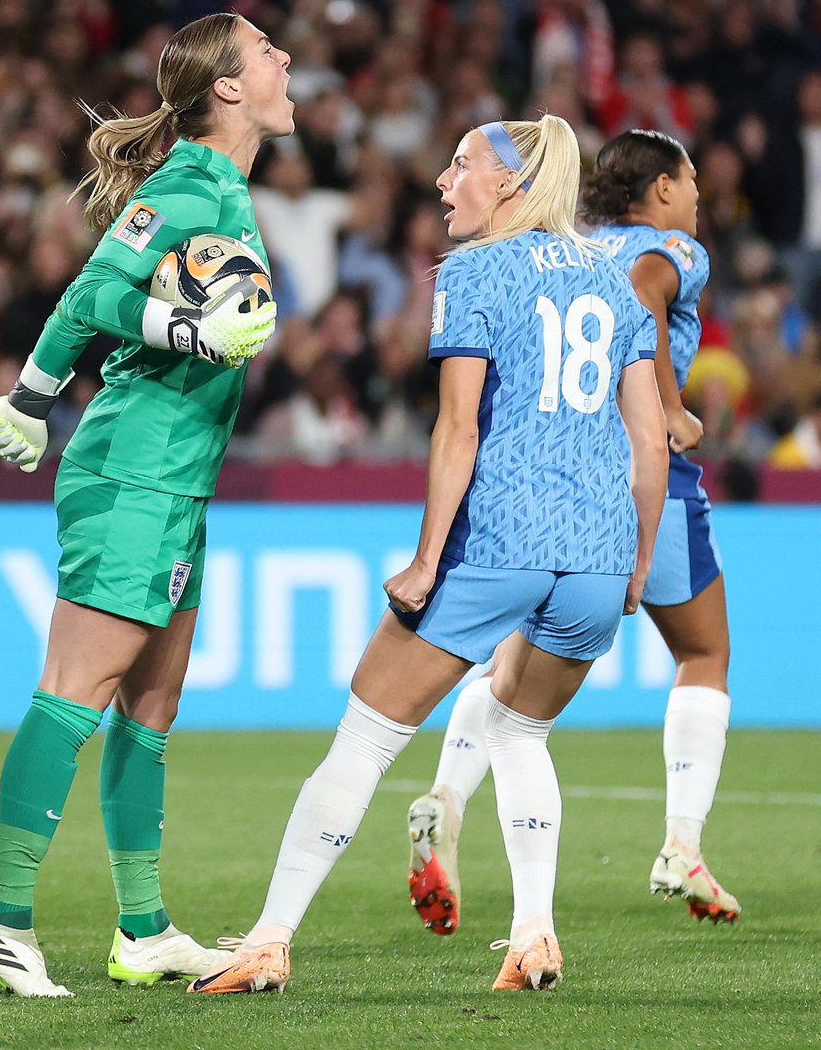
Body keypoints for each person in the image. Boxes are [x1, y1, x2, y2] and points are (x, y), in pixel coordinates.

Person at [186, 115, 668, 996]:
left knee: (364, 740)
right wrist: (635, 564)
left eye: (461, 167)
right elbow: (651, 440)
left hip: (502, 540)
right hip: (596, 551)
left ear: (511, 185)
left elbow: (457, 429)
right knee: (520, 729)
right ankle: (533, 936)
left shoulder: (476, 270)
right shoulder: (623, 276)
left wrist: (424, 559)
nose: (444, 183)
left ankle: (267, 940)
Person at [0, 11, 293, 997]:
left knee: (152, 706)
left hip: (179, 483)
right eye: (265, 50)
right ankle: (1, 915)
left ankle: (142, 929)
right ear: (226, 87)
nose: (284, 59)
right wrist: (32, 394)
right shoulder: (188, 184)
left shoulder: (223, 187)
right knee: (76, 688)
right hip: (131, 471)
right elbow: (94, 296)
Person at [405, 128, 741, 947]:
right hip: (640, 478)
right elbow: (649, 289)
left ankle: (447, 798)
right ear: (660, 188)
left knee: (512, 673)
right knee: (703, 655)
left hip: (553, 493)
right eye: (690, 178)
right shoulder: (673, 246)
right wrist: (669, 407)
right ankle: (682, 842)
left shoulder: (569, 244)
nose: (698, 195)